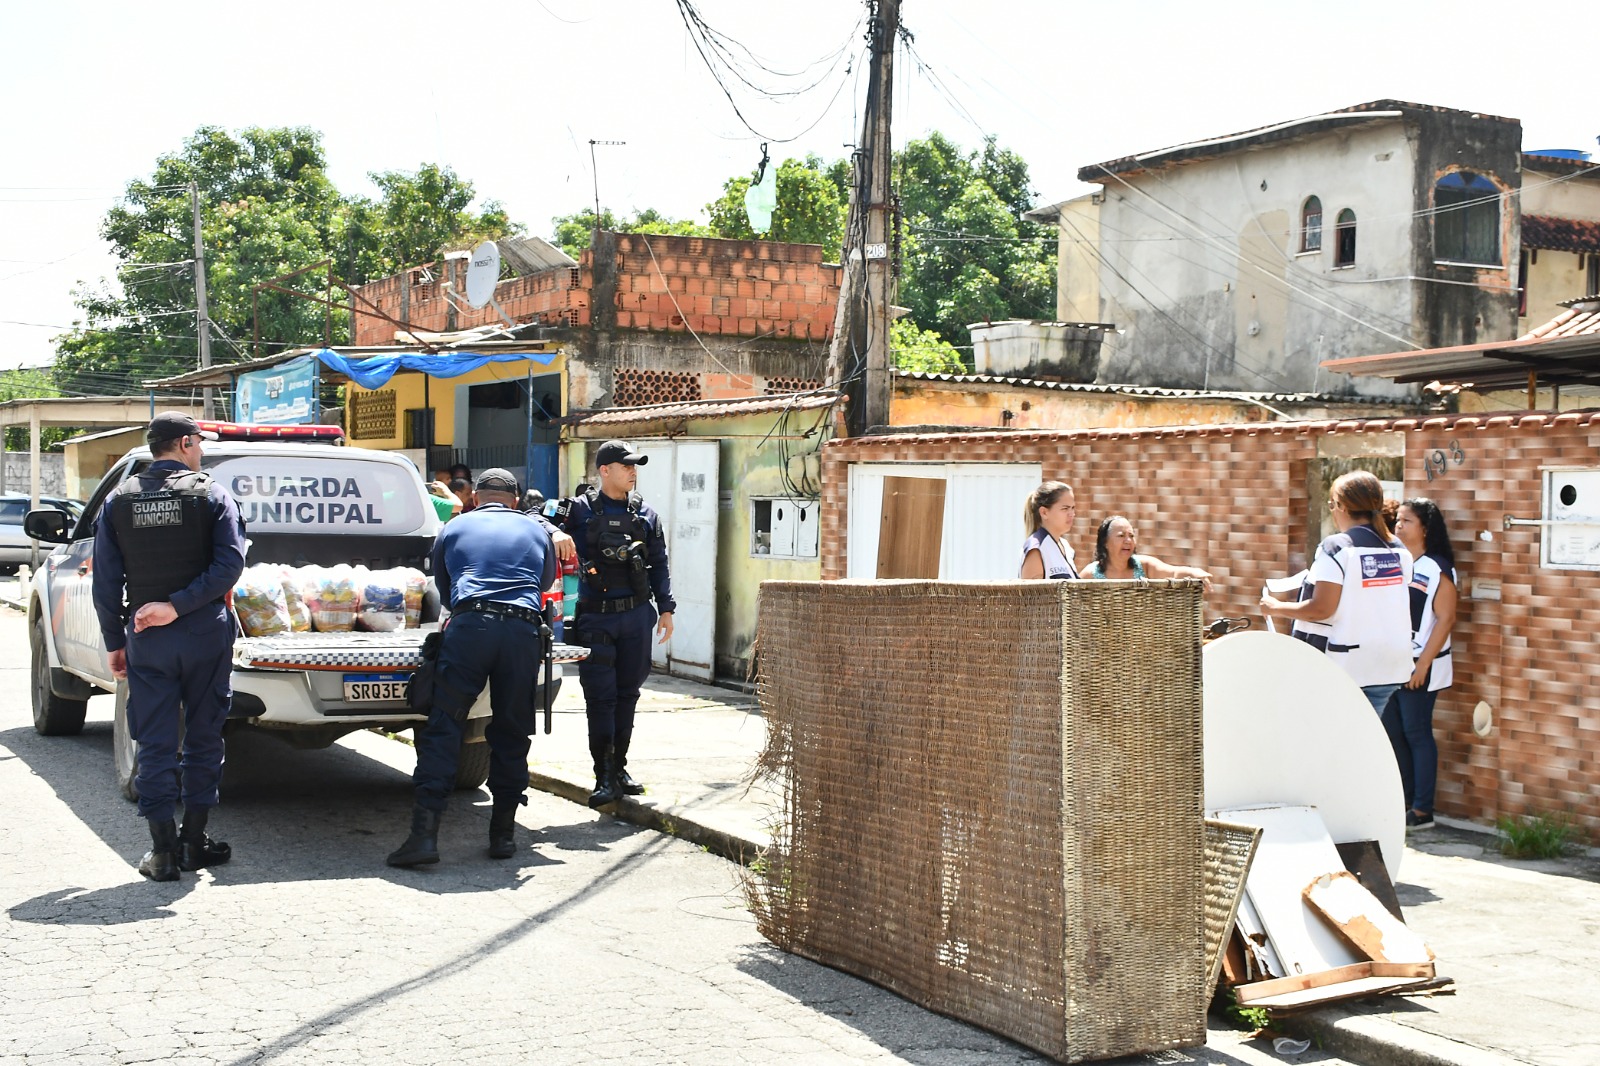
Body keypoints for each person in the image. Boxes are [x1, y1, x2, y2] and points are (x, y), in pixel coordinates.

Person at [91, 412, 247, 882]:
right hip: (203, 635)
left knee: (155, 742)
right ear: (183, 443)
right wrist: (179, 607)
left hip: (147, 638)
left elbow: (105, 582)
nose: (202, 449)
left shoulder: (119, 500)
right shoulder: (213, 494)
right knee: (203, 738)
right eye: (198, 442)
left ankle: (161, 854)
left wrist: (115, 642)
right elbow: (229, 567)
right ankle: (193, 843)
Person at [388, 468, 558, 867]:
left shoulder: (454, 527)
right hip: (521, 632)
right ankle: (503, 835)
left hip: (470, 627)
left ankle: (424, 838)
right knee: (512, 730)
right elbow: (545, 579)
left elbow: (444, 589)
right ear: (514, 500)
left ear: (476, 497)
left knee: (445, 726)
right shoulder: (537, 531)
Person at [559, 440, 675, 808]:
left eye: (635, 467)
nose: (632, 472)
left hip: (637, 616)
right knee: (601, 699)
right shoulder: (578, 510)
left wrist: (667, 609)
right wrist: (556, 532)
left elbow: (659, 563)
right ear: (604, 470)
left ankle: (619, 767)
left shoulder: (645, 514)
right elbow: (531, 516)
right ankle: (603, 775)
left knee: (628, 695)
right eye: (625, 466)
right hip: (597, 617)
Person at [1261, 471, 1414, 714]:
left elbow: (1321, 609)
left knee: (1336, 743)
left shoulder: (1336, 547)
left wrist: (1274, 607)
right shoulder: (1398, 549)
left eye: (1332, 504)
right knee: (1365, 737)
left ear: (1341, 506)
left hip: (1349, 665)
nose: (1331, 510)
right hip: (1389, 664)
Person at [1383, 498, 1458, 828]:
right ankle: (1405, 801)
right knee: (1393, 733)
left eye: (1406, 521)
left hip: (1420, 666)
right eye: (1397, 520)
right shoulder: (1397, 561)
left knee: (1416, 732)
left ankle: (1423, 809)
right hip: (1391, 663)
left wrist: (1423, 665)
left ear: (1425, 528)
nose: (1398, 525)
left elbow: (1445, 619)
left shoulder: (1437, 568)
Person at [1081, 514, 1214, 591]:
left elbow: (1173, 572)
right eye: (1121, 536)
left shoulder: (1145, 565)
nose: (1128, 541)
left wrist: (1194, 573)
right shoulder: (1090, 574)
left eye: (1131, 536)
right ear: (1105, 542)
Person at [1019, 481, 1080, 579]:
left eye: (1073, 508)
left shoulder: (1066, 547)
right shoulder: (1036, 548)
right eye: (1065, 508)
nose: (1072, 514)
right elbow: (1030, 593)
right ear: (1044, 512)